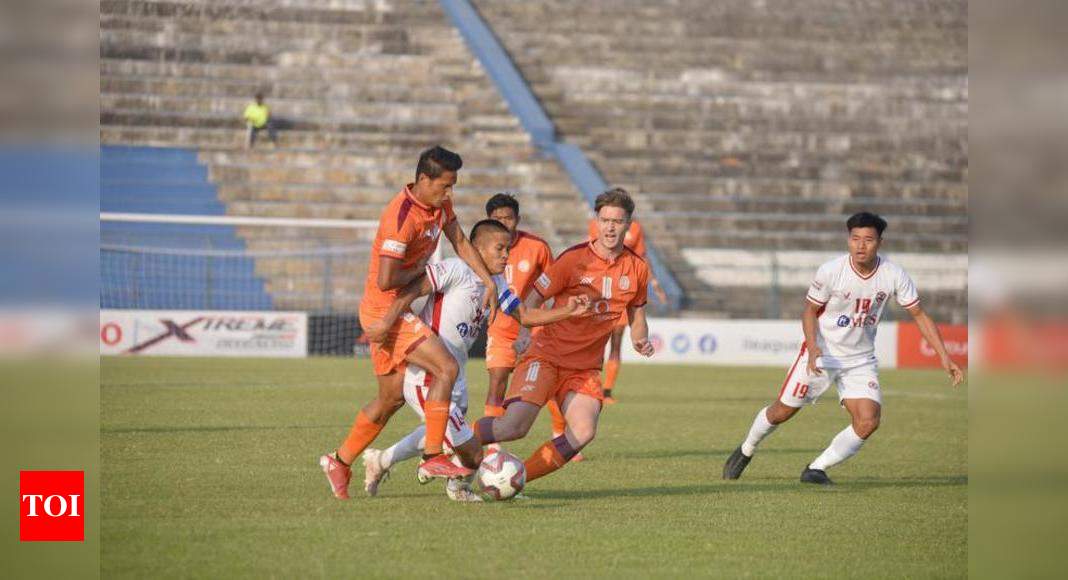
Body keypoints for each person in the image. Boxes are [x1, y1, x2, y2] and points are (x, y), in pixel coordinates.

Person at [722, 212, 965, 485]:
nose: (861, 245)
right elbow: (809, 311)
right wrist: (813, 347)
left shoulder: (893, 274)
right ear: (848, 240)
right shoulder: (831, 271)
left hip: (859, 360)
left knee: (868, 420)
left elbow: (919, 314)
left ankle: (816, 469)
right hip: (821, 356)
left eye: (868, 240)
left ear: (879, 243)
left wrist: (944, 356)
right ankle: (746, 450)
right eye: (855, 238)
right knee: (782, 412)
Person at [360, 219, 590, 501]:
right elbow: (411, 291)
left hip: (455, 378)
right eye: (500, 249)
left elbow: (525, 316)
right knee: (472, 449)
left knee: (443, 432)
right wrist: (389, 325)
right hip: (429, 375)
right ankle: (458, 487)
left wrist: (567, 311)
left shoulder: (497, 282)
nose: (506, 255)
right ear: (477, 249)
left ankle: (381, 460)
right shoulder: (455, 269)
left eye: (508, 249)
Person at [319, 146, 500, 500]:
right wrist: (421, 269)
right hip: (385, 310)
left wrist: (489, 281)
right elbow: (387, 279)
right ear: (423, 180)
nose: (450, 194)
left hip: (396, 311)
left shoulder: (440, 206)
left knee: (390, 400)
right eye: (445, 186)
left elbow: (460, 240)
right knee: (445, 368)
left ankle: (338, 461)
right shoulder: (400, 218)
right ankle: (433, 455)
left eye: (453, 187)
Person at [471, 188, 655, 485]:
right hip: (546, 355)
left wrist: (639, 338)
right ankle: (451, 447)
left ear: (628, 224)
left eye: (617, 221)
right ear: (596, 221)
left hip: (584, 368)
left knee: (583, 432)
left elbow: (637, 313)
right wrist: (523, 332)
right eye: (605, 220)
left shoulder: (638, 268)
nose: (610, 227)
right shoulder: (573, 259)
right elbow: (532, 298)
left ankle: (517, 479)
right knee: (514, 427)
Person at [479, 193, 583, 461]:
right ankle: (493, 448)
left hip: (535, 328)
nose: (504, 223)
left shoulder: (537, 247)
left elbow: (555, 282)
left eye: (508, 218)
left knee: (546, 384)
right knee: (497, 382)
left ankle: (560, 434)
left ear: (518, 219)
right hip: (501, 329)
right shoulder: (483, 249)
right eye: (497, 218)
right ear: (489, 220)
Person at [585, 216, 667, 404]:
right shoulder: (595, 225)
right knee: (594, 344)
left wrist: (654, 284)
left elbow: (642, 258)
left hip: (622, 292)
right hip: (600, 293)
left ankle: (606, 391)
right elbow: (590, 253)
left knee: (616, 341)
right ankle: (591, 386)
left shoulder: (636, 228)